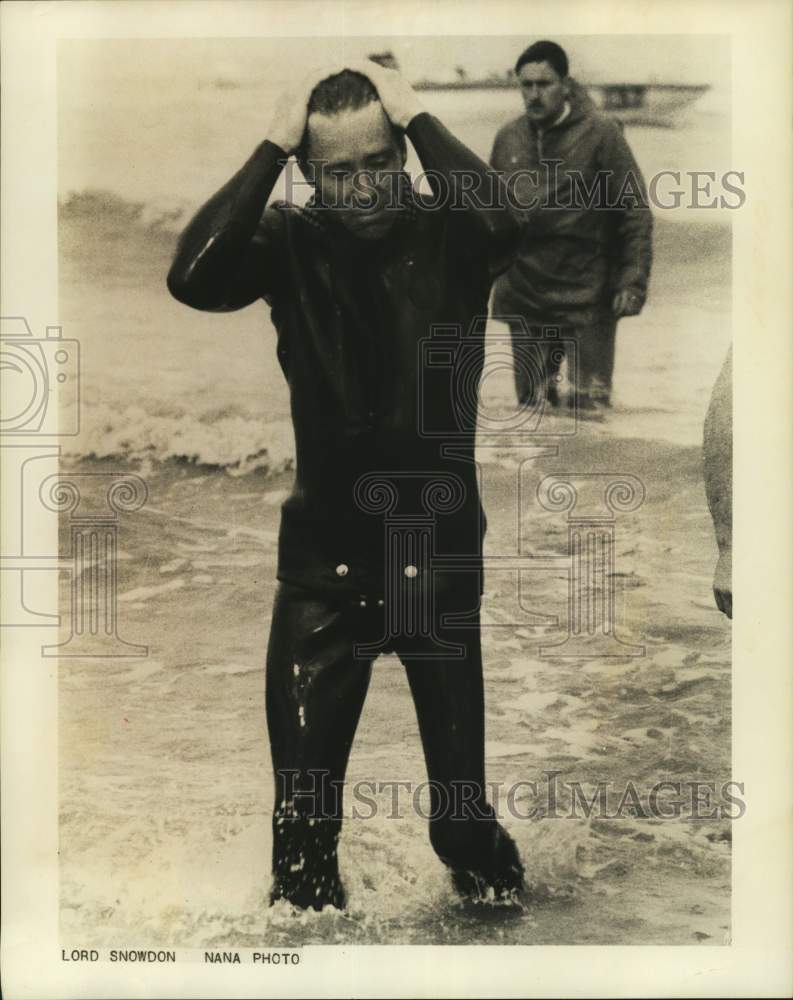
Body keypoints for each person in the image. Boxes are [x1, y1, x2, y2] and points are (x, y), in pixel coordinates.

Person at [167, 59, 525, 910]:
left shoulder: (452, 234)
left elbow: (507, 222)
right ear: (308, 174)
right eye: (336, 171)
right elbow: (192, 277)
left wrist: (421, 116)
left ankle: (527, 937)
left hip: (433, 566)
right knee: (300, 839)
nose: (361, 188)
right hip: (322, 569)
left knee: (459, 829)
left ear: (402, 157)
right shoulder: (291, 241)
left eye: (377, 163)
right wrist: (269, 142)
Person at [489, 40, 653, 410]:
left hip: (587, 294)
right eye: (525, 85)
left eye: (543, 84)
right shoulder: (508, 138)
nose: (533, 94)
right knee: (531, 410)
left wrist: (633, 280)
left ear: (566, 84)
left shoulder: (602, 134)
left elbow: (634, 210)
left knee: (589, 410)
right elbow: (491, 219)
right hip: (527, 293)